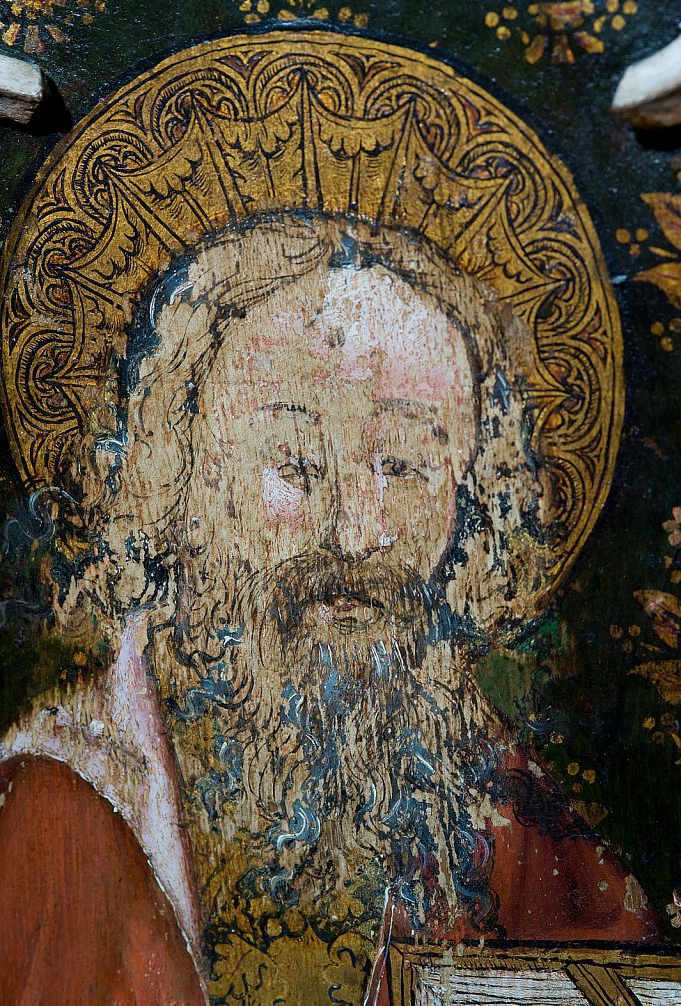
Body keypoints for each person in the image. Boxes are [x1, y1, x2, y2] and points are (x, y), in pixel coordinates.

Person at [0, 214, 662, 1006]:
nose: (357, 532)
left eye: (405, 464)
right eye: (293, 461)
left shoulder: (517, 832)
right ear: (174, 480)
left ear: (468, 499)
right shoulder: (52, 808)